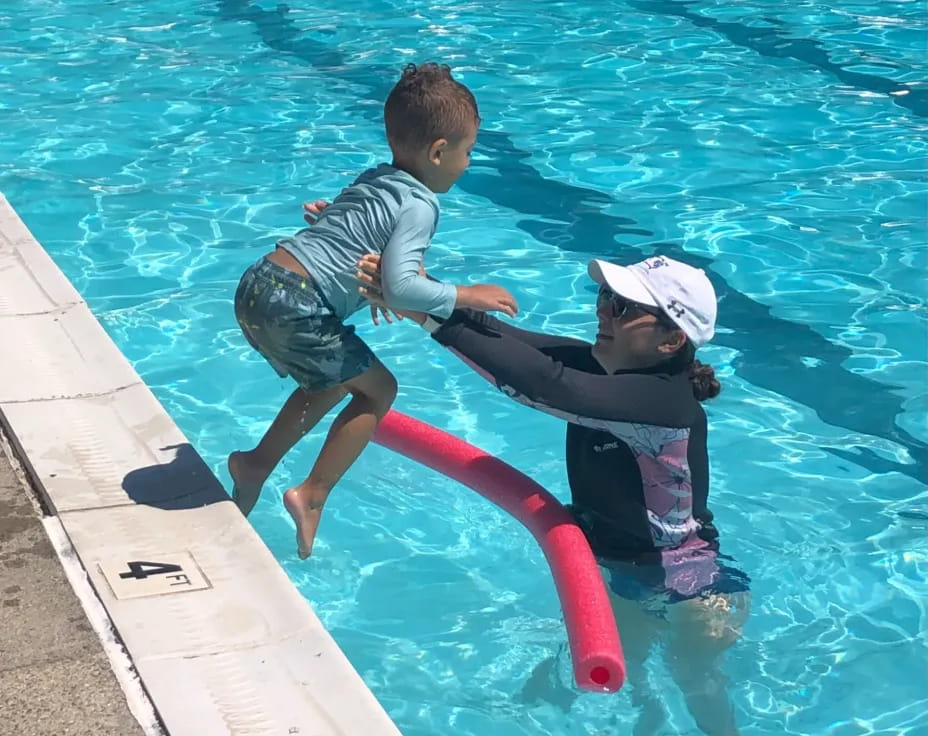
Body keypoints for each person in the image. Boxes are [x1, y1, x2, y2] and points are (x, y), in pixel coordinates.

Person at [351, 248, 751, 736]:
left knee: (699, 688)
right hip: (620, 567)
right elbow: (506, 338)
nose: (603, 311)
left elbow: (542, 384)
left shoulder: (661, 404)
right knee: (617, 682)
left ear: (671, 340)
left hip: (691, 588)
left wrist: (419, 308)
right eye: (604, 297)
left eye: (623, 307)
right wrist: (412, 286)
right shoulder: (607, 369)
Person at [229, 62, 518, 559]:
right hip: (300, 302)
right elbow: (403, 287)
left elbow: (347, 238)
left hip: (258, 284)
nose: (468, 163)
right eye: (468, 151)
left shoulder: (375, 178)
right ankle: (312, 493)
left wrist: (368, 279)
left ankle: (255, 465)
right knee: (380, 389)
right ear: (438, 152)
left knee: (333, 380)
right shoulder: (421, 205)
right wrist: (468, 294)